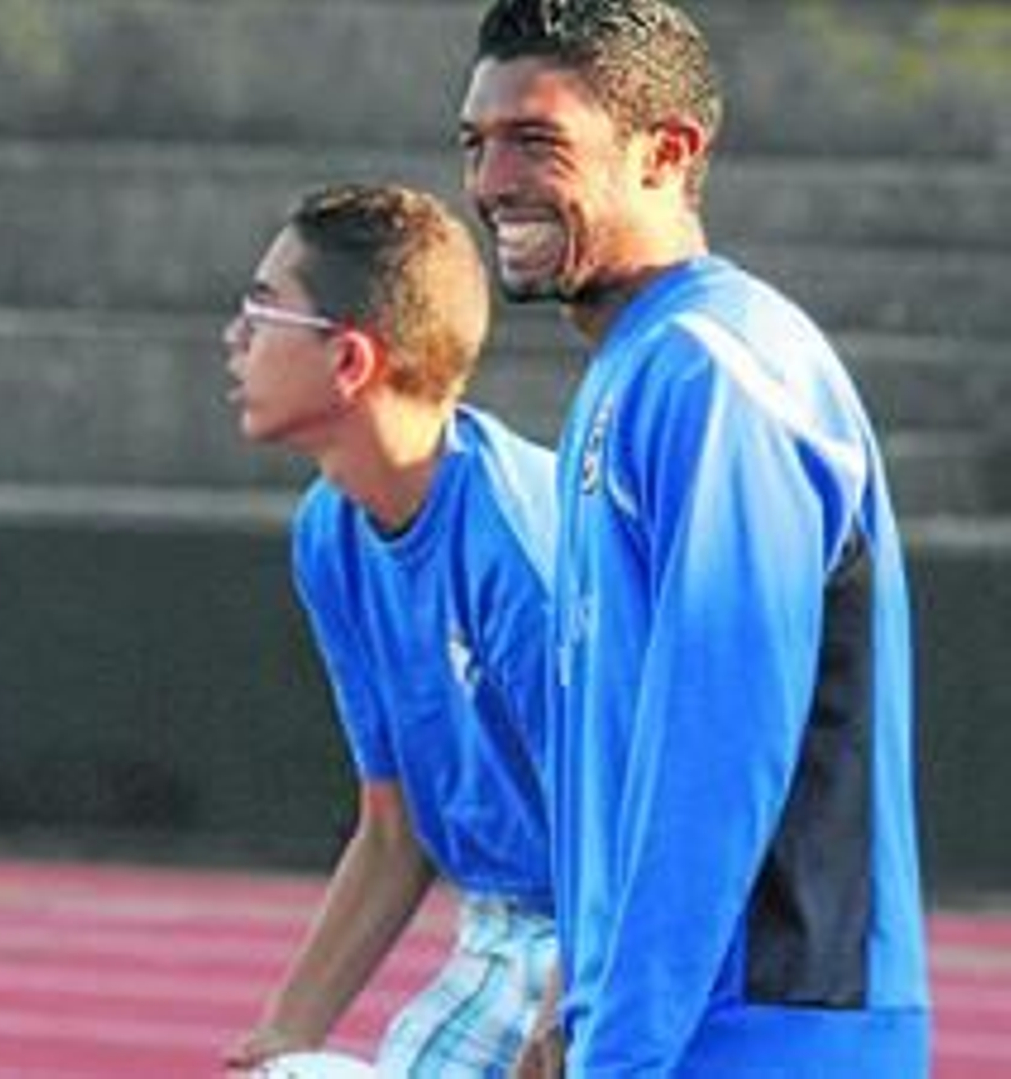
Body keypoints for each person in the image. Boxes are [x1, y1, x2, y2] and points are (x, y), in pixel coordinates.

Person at [457, 1, 932, 1075]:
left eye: (536, 141)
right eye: (475, 143)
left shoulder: (715, 372)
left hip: (766, 1028)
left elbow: (717, 751)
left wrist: (620, 1049)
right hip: (681, 1024)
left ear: (667, 152)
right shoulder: (635, 367)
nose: (490, 182)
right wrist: (577, 1000)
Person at [219, 181, 559, 1077]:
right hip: (498, 935)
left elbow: (635, 833)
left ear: (349, 360)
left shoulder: (519, 556)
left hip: (608, 933)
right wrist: (283, 1032)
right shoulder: (330, 533)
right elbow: (393, 828)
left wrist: (566, 1016)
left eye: (263, 310)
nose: (234, 337)